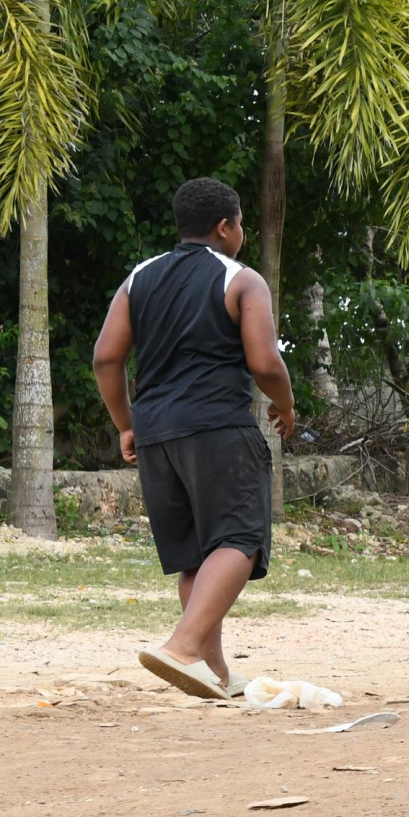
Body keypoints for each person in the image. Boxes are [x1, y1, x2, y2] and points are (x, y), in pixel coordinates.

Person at [91, 178, 298, 698]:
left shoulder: (139, 277)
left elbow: (106, 357)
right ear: (225, 227)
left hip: (157, 433)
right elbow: (265, 362)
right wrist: (287, 404)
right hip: (217, 429)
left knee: (195, 555)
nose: (243, 232)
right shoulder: (242, 280)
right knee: (239, 540)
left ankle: (215, 673)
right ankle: (181, 648)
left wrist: (127, 424)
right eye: (242, 223)